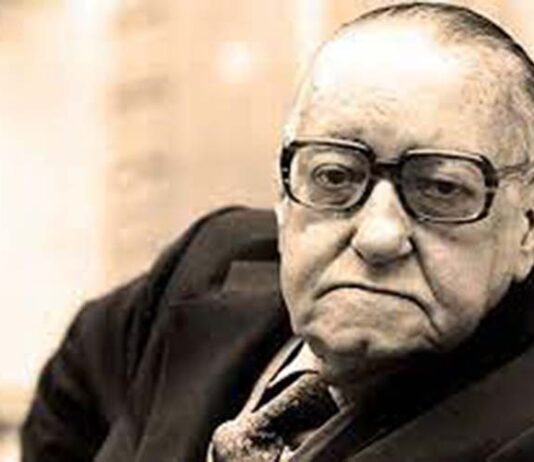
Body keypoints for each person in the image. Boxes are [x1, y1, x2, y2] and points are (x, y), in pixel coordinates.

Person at [21, 2, 534, 461]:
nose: (378, 236)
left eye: (442, 188)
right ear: (285, 195)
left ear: (526, 228)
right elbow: (73, 390)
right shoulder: (211, 262)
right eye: (334, 175)